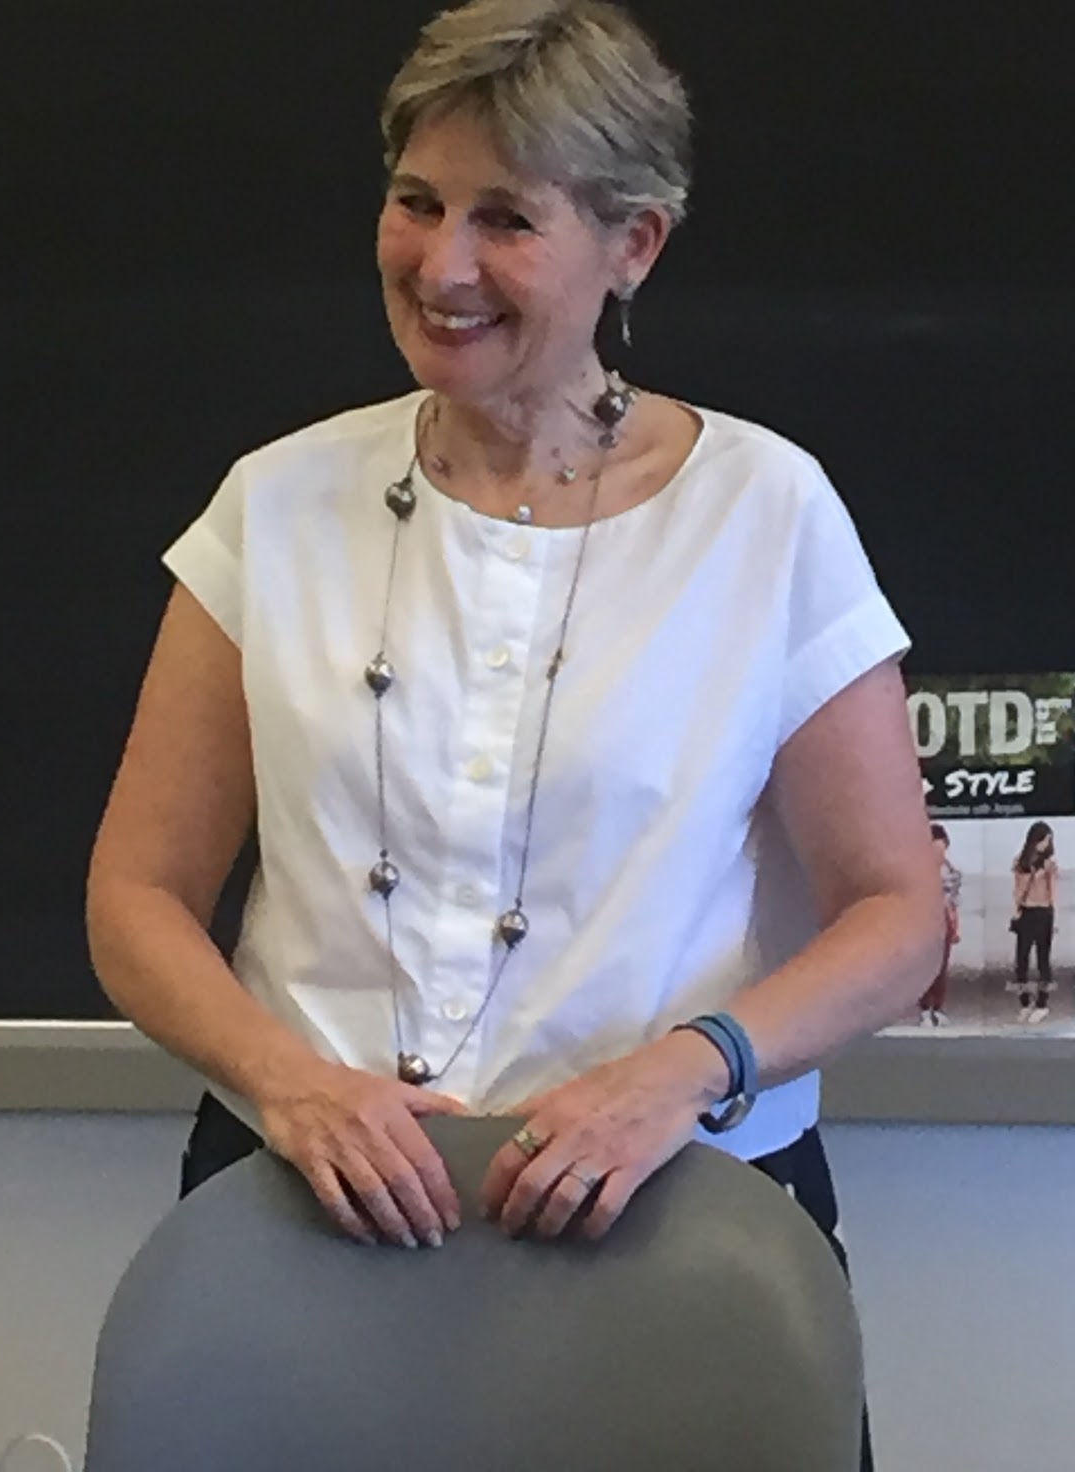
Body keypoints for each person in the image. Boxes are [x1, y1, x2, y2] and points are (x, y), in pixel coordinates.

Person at [86, 3, 943, 1466]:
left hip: (678, 1230)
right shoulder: (274, 504)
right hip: (306, 1227)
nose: (443, 266)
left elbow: (897, 910)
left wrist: (686, 1069)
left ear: (634, 244)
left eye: (506, 219)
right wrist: (294, 1085)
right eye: (416, 202)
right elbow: (135, 895)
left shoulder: (766, 511)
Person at [1011, 820, 1058, 1023]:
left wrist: (1053, 917)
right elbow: (1017, 889)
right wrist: (1016, 910)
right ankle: (1024, 1002)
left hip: (1043, 912)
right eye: (1044, 840)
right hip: (1026, 912)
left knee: (1043, 960)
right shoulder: (1019, 862)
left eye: (1048, 840)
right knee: (1021, 961)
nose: (1046, 844)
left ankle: (1042, 1003)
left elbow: (1052, 893)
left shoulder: (1050, 865)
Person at [918, 823, 961, 1026]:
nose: (940, 854)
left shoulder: (951, 872)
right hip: (924, 918)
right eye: (935, 849)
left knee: (942, 967)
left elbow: (953, 903)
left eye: (943, 848)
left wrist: (955, 927)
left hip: (944, 918)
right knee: (925, 966)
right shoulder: (918, 872)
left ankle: (938, 1006)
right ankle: (925, 1008)